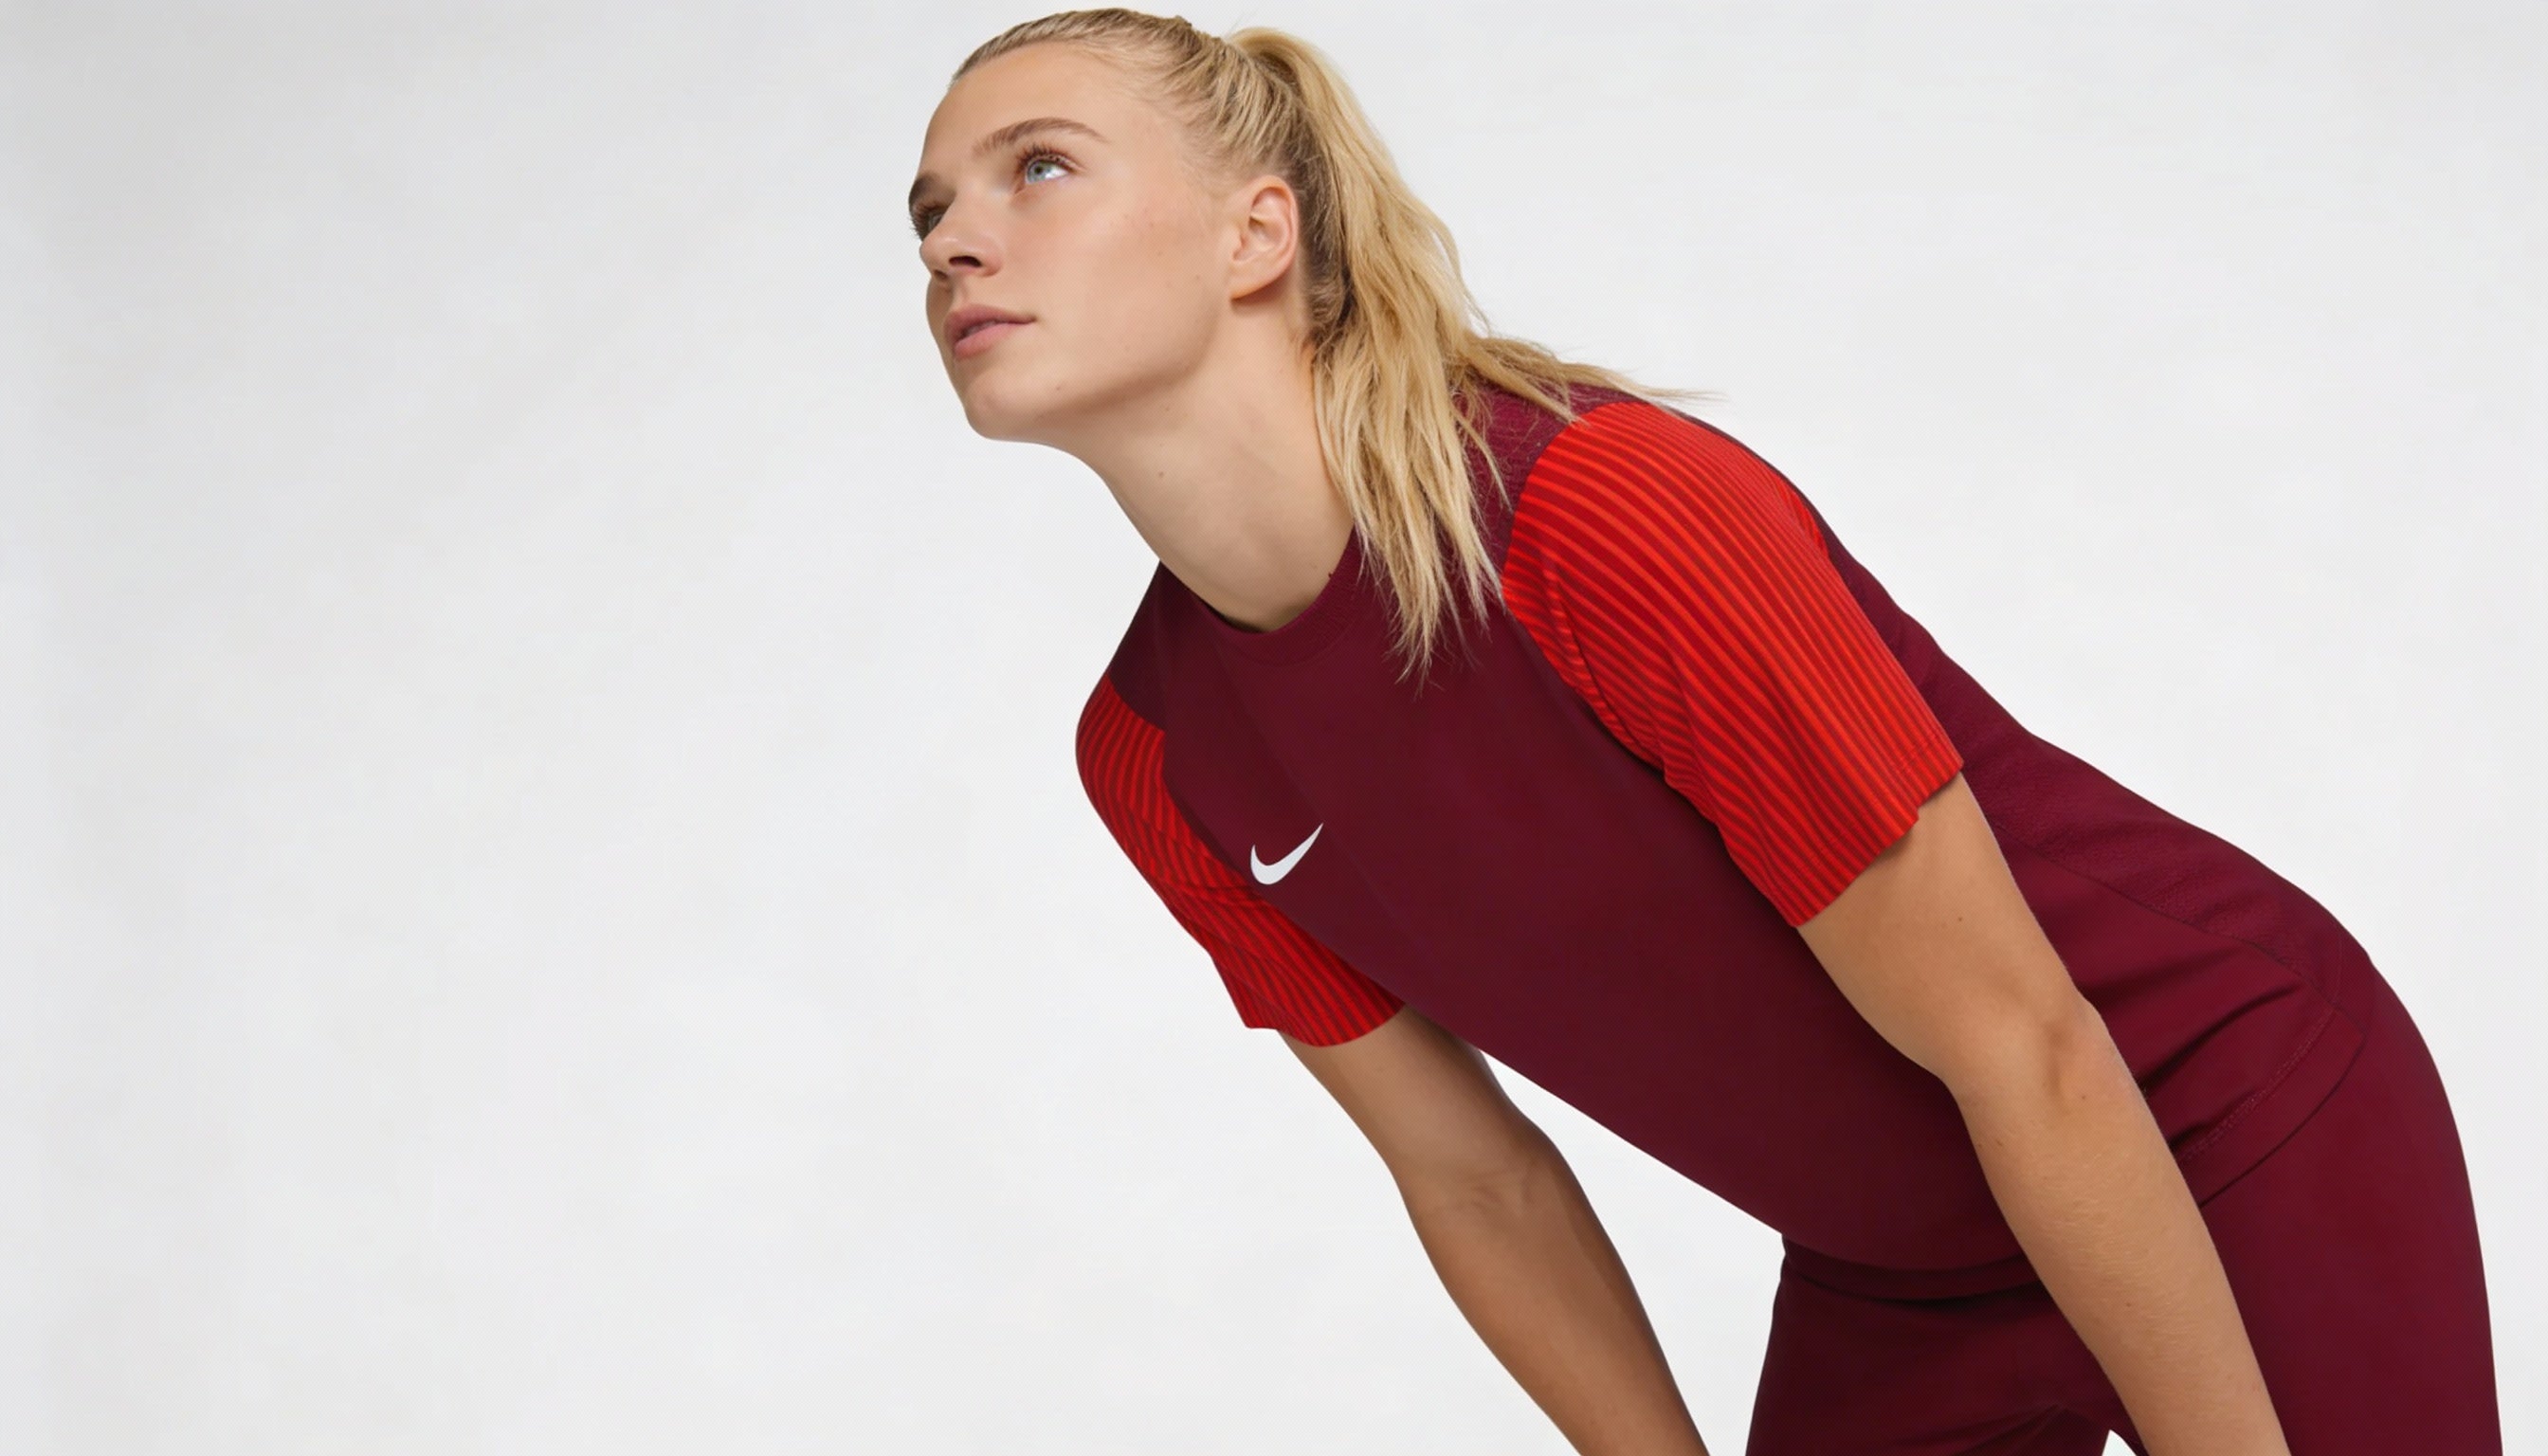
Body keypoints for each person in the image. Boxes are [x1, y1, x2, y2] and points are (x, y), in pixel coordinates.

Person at [906, 10, 2502, 1454]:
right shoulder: (1159, 756)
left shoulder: (1602, 520)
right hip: (1899, 1277)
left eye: (1037, 169)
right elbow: (1476, 1179)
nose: (954, 243)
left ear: (1256, 233)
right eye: (929, 213)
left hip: (2207, 1124)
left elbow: (2029, 1045)